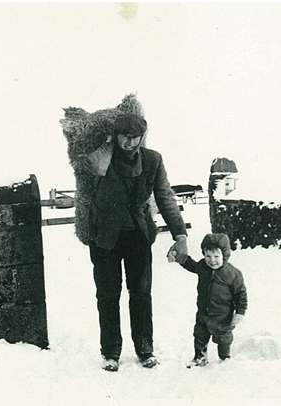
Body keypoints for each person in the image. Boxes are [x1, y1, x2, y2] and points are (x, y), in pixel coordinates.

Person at [83, 112, 189, 372]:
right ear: (116, 136)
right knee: (108, 294)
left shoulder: (153, 160)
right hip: (105, 238)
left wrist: (180, 235)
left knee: (141, 293)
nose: (130, 143)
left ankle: (144, 349)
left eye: (135, 138)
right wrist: (105, 148)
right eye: (125, 137)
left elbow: (165, 197)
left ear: (143, 137)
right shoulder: (102, 159)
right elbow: (87, 179)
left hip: (138, 236)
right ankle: (110, 352)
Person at [167, 233, 248, 368]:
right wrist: (178, 257)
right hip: (203, 312)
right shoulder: (203, 267)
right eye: (208, 256)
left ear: (225, 255)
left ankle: (224, 358)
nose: (212, 260)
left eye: (216, 256)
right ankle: (200, 357)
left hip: (223, 315)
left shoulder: (233, 274)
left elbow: (241, 295)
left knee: (223, 338)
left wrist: (240, 312)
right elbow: (190, 264)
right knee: (199, 335)